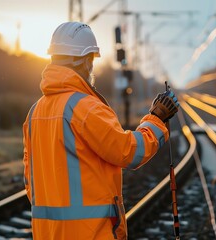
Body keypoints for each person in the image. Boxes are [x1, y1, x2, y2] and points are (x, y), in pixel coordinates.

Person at [22, 22, 179, 240]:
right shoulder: (86, 108)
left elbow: (30, 183)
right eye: (92, 61)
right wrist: (156, 119)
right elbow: (128, 151)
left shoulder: (34, 113)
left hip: (47, 233)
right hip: (90, 233)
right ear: (86, 61)